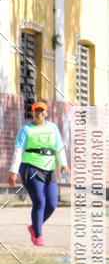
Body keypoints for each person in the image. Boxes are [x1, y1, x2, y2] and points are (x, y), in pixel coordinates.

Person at [7, 99, 69, 246]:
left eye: (42, 111)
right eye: (37, 111)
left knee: (52, 203)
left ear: (46, 113)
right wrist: (13, 171)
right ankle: (38, 236)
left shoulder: (53, 128)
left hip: (49, 169)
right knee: (40, 201)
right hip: (31, 167)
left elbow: (59, 146)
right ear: (33, 113)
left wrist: (64, 164)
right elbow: (18, 150)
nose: (39, 113)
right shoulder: (26, 129)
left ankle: (35, 227)